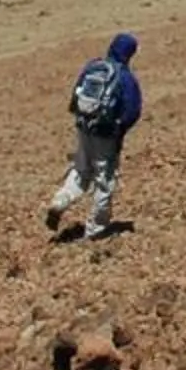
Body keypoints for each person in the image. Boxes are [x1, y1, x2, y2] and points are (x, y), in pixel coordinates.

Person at [45, 31, 141, 241]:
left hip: (84, 129)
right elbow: (132, 112)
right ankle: (96, 231)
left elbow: (76, 96)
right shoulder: (125, 77)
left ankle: (60, 201)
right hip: (106, 136)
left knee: (80, 172)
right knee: (104, 181)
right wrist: (118, 131)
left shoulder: (93, 67)